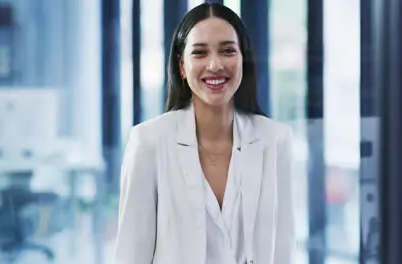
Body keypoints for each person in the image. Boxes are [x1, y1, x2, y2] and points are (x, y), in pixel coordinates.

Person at [113, 3, 295, 264]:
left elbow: (283, 249)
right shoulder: (149, 142)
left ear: (243, 59)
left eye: (227, 51)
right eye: (199, 53)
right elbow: (130, 255)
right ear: (182, 67)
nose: (215, 65)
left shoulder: (275, 141)